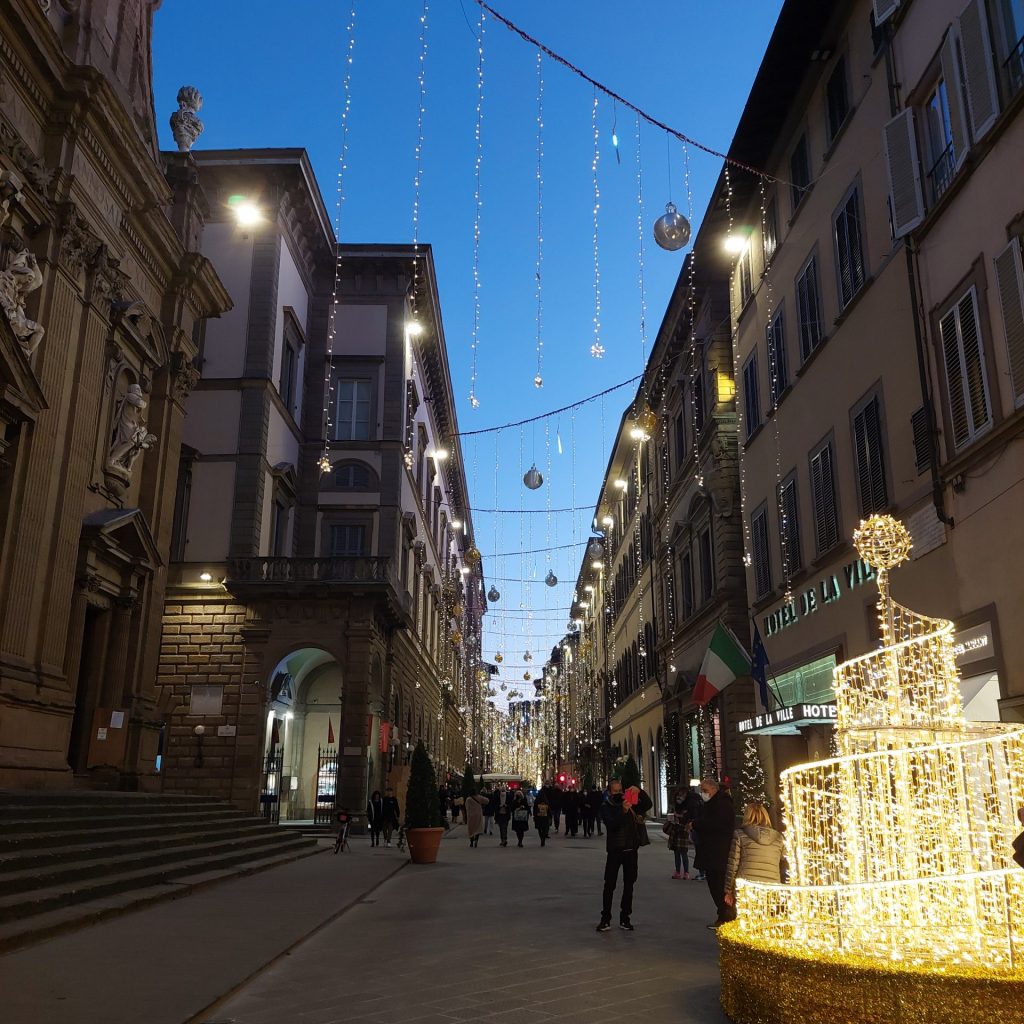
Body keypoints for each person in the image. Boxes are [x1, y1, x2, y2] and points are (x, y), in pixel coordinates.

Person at [596, 779, 652, 933]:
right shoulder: (606, 806)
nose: (618, 794)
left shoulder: (630, 803)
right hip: (615, 850)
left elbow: (647, 805)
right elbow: (612, 825)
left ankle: (625, 918)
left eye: (621, 790)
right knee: (609, 884)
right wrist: (623, 811)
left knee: (629, 884)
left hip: (630, 850)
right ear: (609, 792)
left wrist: (639, 791)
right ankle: (605, 918)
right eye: (615, 791)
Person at [723, 802, 784, 912]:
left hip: (746, 886)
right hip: (771, 886)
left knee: (746, 921)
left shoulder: (740, 835)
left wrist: (728, 890)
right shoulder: (778, 838)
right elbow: (783, 862)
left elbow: (733, 864)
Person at [694, 777, 737, 929]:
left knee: (719, 886)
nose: (703, 794)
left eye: (705, 791)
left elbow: (716, 824)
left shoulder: (722, 804)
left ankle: (726, 917)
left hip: (719, 852)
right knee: (714, 885)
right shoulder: (711, 804)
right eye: (702, 791)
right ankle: (724, 915)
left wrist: (697, 824)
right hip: (712, 852)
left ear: (714, 789)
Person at [665, 793, 691, 879]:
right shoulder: (674, 807)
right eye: (677, 797)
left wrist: (678, 816)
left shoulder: (687, 807)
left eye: (681, 797)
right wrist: (671, 817)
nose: (679, 799)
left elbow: (687, 818)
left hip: (683, 831)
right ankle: (677, 872)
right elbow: (669, 817)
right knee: (676, 853)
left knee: (683, 853)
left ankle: (686, 872)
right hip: (675, 831)